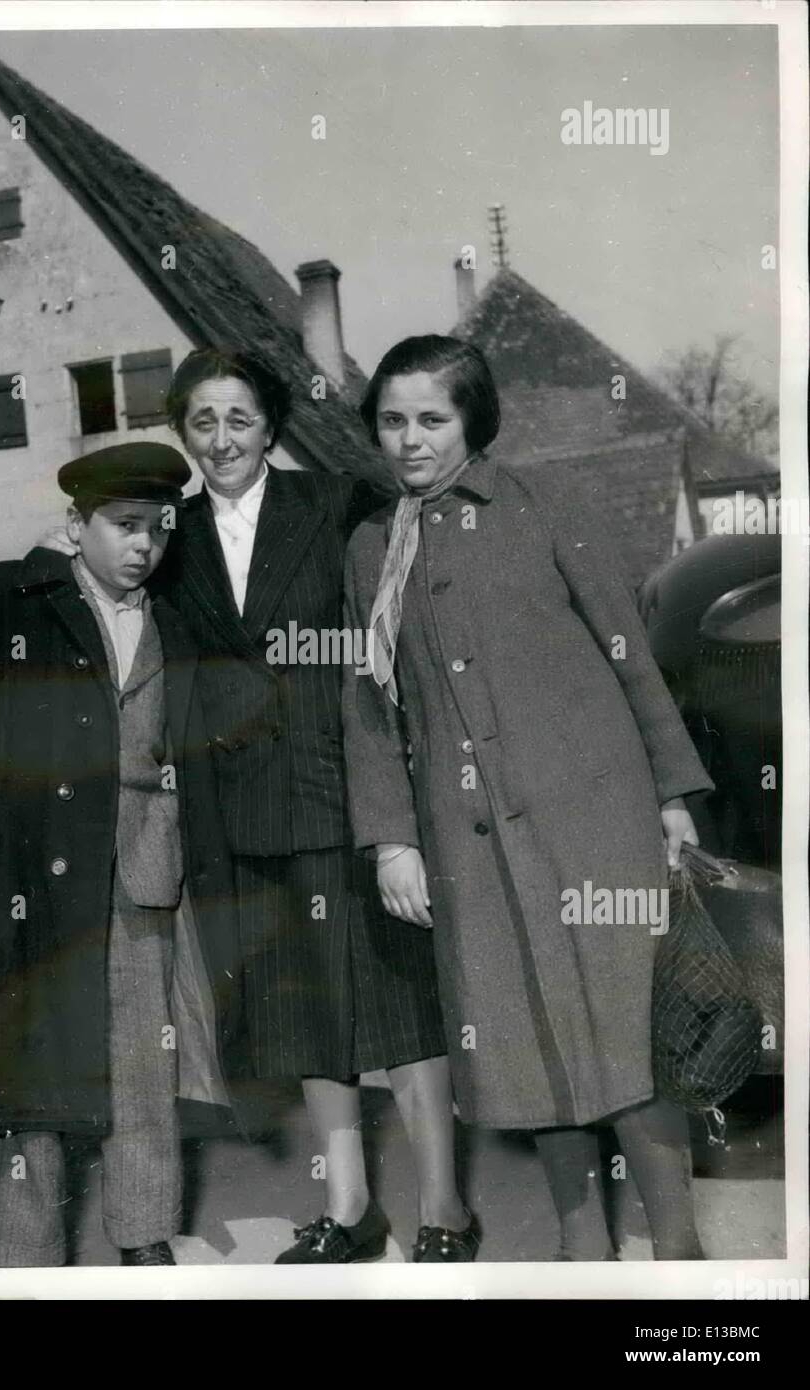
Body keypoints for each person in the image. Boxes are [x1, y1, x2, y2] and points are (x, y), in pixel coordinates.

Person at [342, 335, 716, 1261]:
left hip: (595, 823)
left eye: (431, 419)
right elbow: (366, 709)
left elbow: (632, 656)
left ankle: (677, 1250)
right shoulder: (369, 548)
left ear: (472, 419)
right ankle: (579, 1250)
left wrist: (672, 794)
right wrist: (391, 839)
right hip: (468, 845)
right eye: (392, 421)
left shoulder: (550, 504)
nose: (409, 440)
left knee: (630, 1030)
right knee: (524, 1041)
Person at [0, 442, 237, 1267]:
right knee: (31, 1071)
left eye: (158, 528)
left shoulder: (177, 616)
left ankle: (142, 1233)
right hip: (31, 879)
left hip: (144, 872)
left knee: (144, 1062)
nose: (144, 544)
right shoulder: (9, 596)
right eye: (123, 526)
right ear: (76, 526)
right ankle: (25, 1249)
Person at [160, 347, 474, 1262]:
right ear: (182, 430)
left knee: (400, 1012)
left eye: (241, 420)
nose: (221, 440)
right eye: (203, 422)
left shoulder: (336, 505)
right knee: (305, 1015)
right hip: (242, 817)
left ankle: (444, 1209)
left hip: (352, 798)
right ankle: (349, 1210)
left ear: (273, 428)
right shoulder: (166, 535)